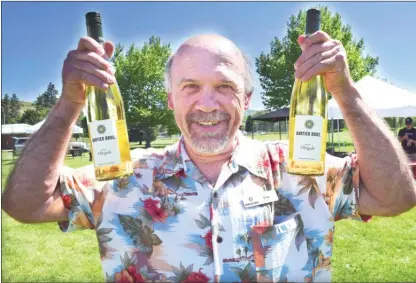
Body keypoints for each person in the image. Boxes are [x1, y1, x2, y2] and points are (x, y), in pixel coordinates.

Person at [2, 31, 416, 283]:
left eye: (223, 86)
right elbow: (25, 203)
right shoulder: (125, 177)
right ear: (170, 100)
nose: (207, 103)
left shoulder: (299, 169)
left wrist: (344, 90)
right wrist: (69, 103)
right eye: (190, 87)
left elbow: (396, 197)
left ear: (247, 98)